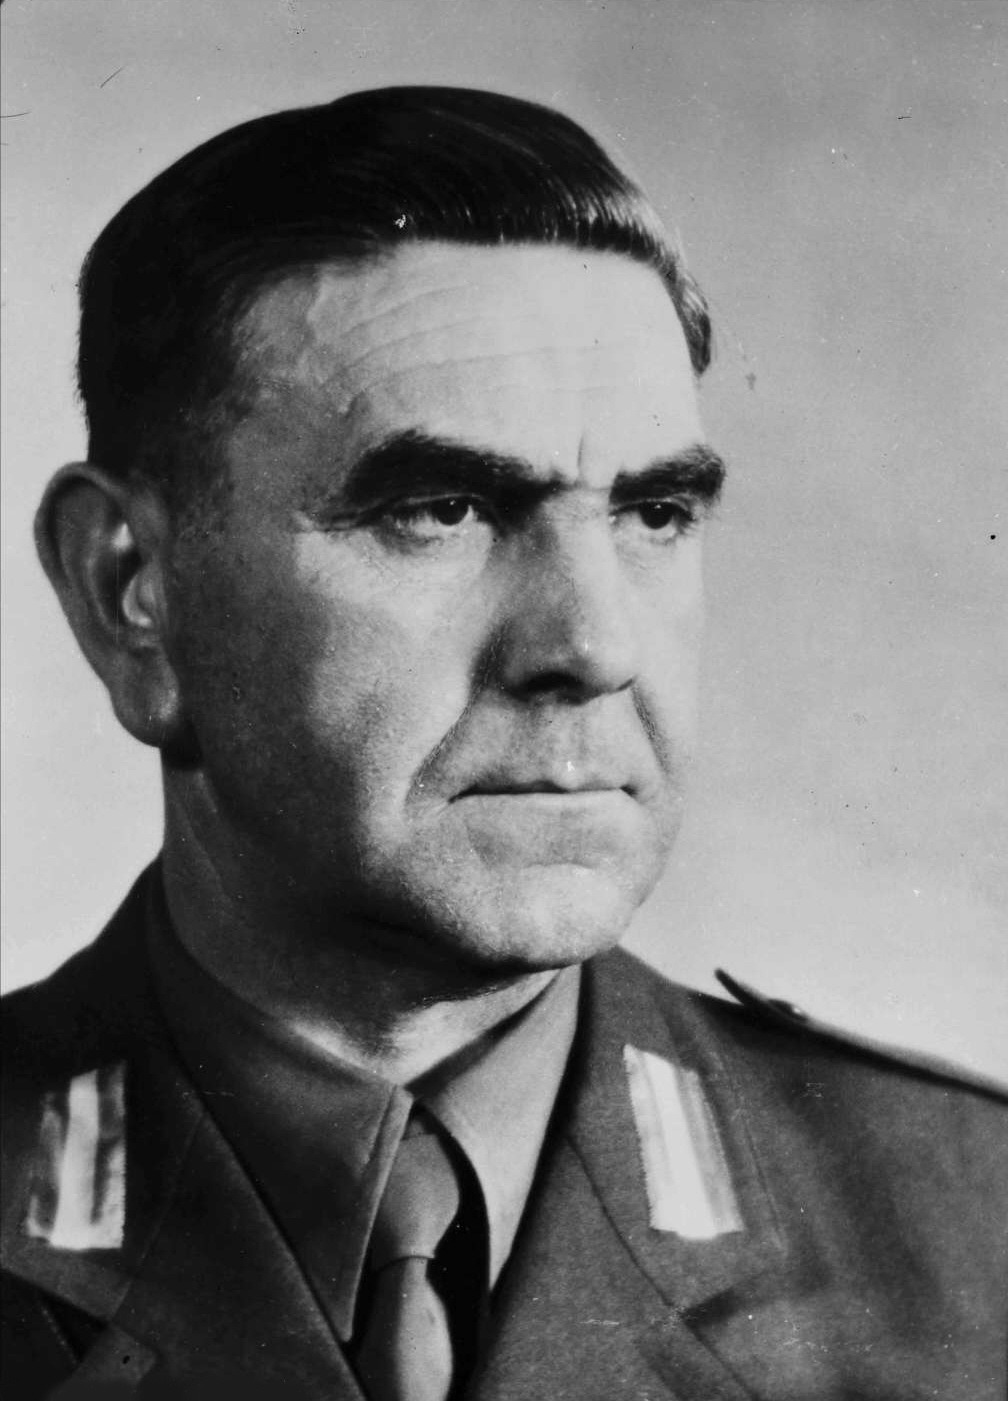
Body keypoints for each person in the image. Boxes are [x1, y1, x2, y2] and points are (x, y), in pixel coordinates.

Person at [1, 86, 1005, 1401]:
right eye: (441, 508)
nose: (592, 645)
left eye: (655, 513)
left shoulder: (970, 1233)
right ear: (130, 591)